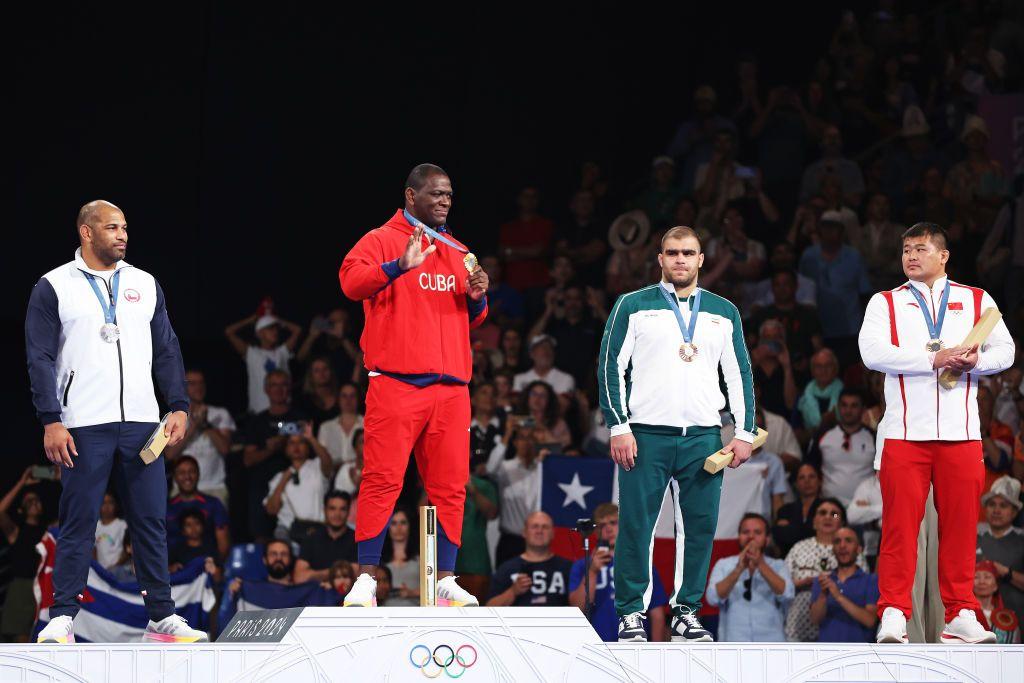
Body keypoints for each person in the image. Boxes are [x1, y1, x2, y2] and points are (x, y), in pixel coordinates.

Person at [25, 200, 206, 643]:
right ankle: (63, 617)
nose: (123, 235)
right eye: (112, 228)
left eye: (125, 227)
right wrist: (51, 418)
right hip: (83, 421)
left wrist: (179, 405)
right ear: (87, 233)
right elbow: (40, 357)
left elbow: (166, 347)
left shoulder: (144, 284)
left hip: (144, 422)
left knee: (149, 520)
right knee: (79, 520)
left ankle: (161, 617)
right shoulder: (54, 286)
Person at [338, 163, 487, 608]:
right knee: (382, 479)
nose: (444, 201)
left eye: (449, 195)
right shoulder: (381, 239)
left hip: (452, 389)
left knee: (451, 486)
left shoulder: (459, 250)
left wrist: (480, 296)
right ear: (411, 195)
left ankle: (445, 579)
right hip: (397, 383)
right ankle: (366, 578)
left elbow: (471, 317)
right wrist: (397, 265)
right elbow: (350, 281)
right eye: (436, 194)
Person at [859, 222, 1015, 644]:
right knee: (899, 528)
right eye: (906, 249)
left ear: (943, 255)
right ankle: (893, 611)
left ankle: (961, 612)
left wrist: (974, 362)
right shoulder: (885, 302)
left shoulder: (976, 299)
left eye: (921, 249)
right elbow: (871, 353)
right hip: (905, 434)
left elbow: (1007, 350)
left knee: (962, 528)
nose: (911, 256)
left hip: (962, 434)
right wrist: (935, 358)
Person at [598, 225, 756, 643]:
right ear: (660, 259)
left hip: (703, 436)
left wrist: (743, 431)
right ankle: (631, 612)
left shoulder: (724, 311)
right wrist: (619, 425)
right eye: (672, 253)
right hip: (644, 435)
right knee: (636, 525)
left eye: (688, 253)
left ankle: (686, 612)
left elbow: (738, 373)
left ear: (702, 259)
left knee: (699, 527)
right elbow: (610, 366)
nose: (680, 260)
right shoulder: (633, 305)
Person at [569, 503, 669, 642]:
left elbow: (656, 613)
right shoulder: (582, 565)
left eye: (613, 523)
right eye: (602, 525)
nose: (608, 529)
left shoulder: (641, 563)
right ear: (596, 531)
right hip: (595, 645)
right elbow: (578, 610)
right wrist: (592, 572)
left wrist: (656, 651)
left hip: (636, 643)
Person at [238, 369, 308, 541]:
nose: (278, 389)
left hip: (295, 485)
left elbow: (309, 448)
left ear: (289, 388)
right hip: (262, 486)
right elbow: (248, 460)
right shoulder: (257, 421)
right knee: (261, 537)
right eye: (273, 385)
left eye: (283, 385)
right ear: (266, 389)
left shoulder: (300, 418)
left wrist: (285, 442)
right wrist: (270, 449)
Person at [785, 498, 867, 642]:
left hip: (840, 632)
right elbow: (782, 586)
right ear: (814, 521)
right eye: (822, 513)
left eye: (834, 514)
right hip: (798, 630)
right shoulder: (798, 548)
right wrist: (800, 583)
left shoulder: (852, 552)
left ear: (842, 523)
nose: (828, 517)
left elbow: (864, 587)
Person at [706, 513, 794, 642]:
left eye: (757, 532)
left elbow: (788, 594)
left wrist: (760, 564)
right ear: (739, 537)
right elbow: (712, 598)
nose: (751, 536)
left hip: (772, 646)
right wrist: (738, 569)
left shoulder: (778, 565)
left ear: (767, 539)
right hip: (734, 645)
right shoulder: (724, 564)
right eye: (745, 532)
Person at [164, 369, 235, 506]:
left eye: (201, 383)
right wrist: (194, 425)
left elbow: (225, 449)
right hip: (182, 489)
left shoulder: (220, 414)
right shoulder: (174, 418)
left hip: (214, 488)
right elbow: (170, 454)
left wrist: (206, 425)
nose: (199, 387)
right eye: (193, 383)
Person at [807, 388, 876, 508]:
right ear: (838, 407)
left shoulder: (873, 437)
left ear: (863, 409)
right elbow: (810, 468)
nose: (848, 410)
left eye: (854, 406)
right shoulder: (823, 435)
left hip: (864, 508)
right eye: (844, 405)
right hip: (829, 508)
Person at [486, 512, 573, 607]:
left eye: (545, 527)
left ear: (553, 533)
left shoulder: (568, 568)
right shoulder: (507, 569)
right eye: (534, 526)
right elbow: (489, 608)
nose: (539, 531)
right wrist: (513, 591)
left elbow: (582, 606)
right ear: (524, 532)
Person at [224, 311, 302, 415]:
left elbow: (297, 330)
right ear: (259, 333)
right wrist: (250, 320)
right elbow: (229, 332)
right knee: (261, 430)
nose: (275, 332)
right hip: (258, 412)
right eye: (270, 329)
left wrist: (277, 319)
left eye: (276, 328)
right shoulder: (252, 353)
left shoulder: (282, 352)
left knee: (285, 428)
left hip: (284, 411)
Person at [809, 526, 879, 642]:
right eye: (837, 541)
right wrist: (823, 595)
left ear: (859, 549)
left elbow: (870, 620)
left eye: (848, 541)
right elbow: (815, 619)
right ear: (833, 549)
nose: (842, 546)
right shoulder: (822, 581)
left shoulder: (871, 581)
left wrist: (838, 596)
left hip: (860, 654)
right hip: (826, 652)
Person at [0, 468, 46, 642]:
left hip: (43, 586)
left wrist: (60, 478)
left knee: (41, 637)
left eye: (36, 500)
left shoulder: (49, 532)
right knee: (21, 637)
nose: (34, 502)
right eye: (29, 500)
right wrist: (21, 483)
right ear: (21, 508)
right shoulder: (16, 532)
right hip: (21, 587)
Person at [263, 432, 332, 542]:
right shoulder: (279, 477)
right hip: (287, 531)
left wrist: (311, 438)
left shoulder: (317, 465)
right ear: (286, 450)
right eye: (291, 443)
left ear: (308, 448)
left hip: (316, 528)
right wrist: (285, 479)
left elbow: (328, 462)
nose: (296, 446)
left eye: (301, 442)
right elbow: (272, 510)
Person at [977, 476, 1024, 625]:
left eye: (1003, 505)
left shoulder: (1021, 540)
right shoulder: (973, 537)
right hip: (976, 622)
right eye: (992, 504)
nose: (996, 510)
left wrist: (1006, 573)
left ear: (1015, 512)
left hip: (1016, 622)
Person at [166, 456, 230, 561]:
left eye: (191, 471)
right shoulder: (166, 508)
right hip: (174, 569)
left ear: (198, 474)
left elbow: (223, 545)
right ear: (175, 477)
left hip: (207, 565)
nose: (187, 476)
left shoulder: (213, 504)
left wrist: (215, 566)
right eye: (181, 473)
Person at [455, 461, 499, 604]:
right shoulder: (439, 482)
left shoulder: (484, 485)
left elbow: (492, 513)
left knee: (475, 614)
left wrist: (473, 491)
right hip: (445, 563)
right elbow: (422, 511)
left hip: (475, 562)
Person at [293, 491, 358, 584]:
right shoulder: (311, 539)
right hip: (316, 595)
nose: (337, 514)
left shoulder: (357, 540)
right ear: (325, 510)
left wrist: (313, 574)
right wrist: (339, 573)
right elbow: (299, 578)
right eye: (332, 508)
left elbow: (355, 574)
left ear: (348, 512)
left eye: (342, 509)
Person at [774, 463, 825, 556]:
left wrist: (792, 529)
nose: (807, 481)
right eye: (802, 477)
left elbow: (837, 517)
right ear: (796, 484)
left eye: (812, 476)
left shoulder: (832, 507)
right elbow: (780, 536)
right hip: (790, 558)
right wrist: (815, 529)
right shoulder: (784, 511)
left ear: (820, 481)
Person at [316, 383, 364, 471]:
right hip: (331, 478)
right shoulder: (326, 428)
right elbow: (322, 460)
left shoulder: (370, 425)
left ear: (358, 399)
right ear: (338, 399)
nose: (348, 400)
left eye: (352, 396)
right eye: (344, 396)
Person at [974, 560, 1022, 644]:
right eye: (976, 577)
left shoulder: (1009, 617)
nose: (981, 582)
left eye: (987, 577)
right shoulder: (965, 614)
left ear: (995, 586)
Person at [797, 349, 843, 433]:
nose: (823, 370)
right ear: (812, 371)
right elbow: (797, 430)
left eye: (828, 365)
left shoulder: (845, 394)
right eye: (818, 366)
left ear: (835, 368)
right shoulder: (803, 396)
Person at [380, 507, 419, 606]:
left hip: (415, 613)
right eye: (394, 523)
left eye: (403, 522)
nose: (399, 527)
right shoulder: (379, 559)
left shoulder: (422, 557)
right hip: (385, 613)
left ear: (410, 526)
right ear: (388, 527)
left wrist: (412, 593)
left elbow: (434, 589)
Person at [167, 510, 220, 580]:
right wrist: (172, 569)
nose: (193, 528)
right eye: (188, 525)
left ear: (203, 526)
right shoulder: (176, 549)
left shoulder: (211, 548)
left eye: (197, 523)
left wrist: (214, 570)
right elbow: (164, 571)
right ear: (182, 530)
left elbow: (219, 577)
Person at [94, 492, 127, 570]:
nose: (107, 506)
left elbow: (127, 551)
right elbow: (93, 550)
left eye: (110, 502)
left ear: (115, 505)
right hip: (100, 572)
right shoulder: (95, 526)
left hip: (118, 570)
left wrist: (114, 567)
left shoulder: (122, 525)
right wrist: (98, 569)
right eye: (104, 503)